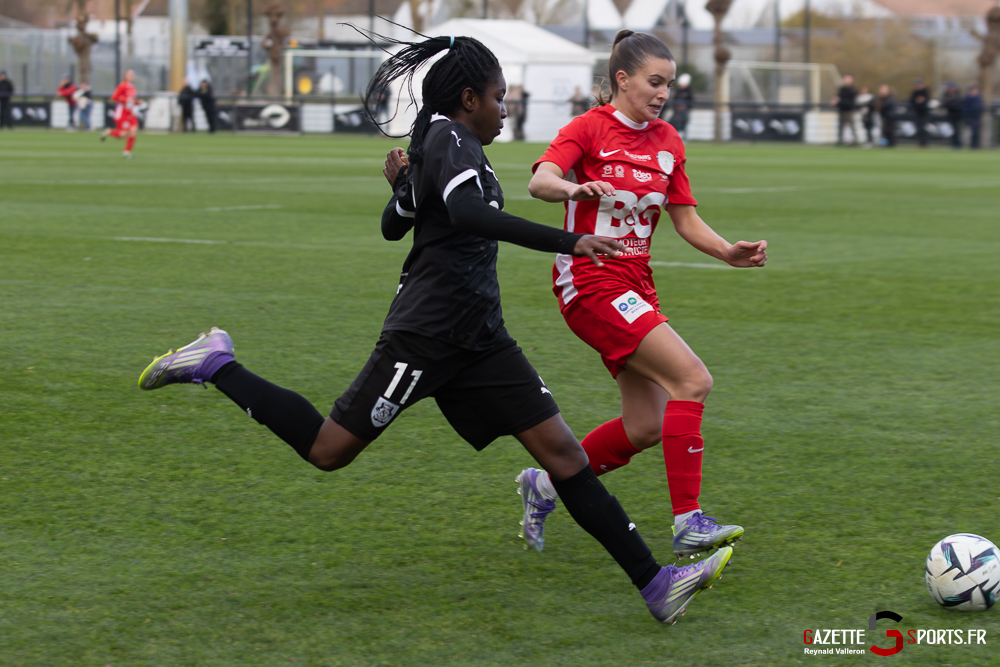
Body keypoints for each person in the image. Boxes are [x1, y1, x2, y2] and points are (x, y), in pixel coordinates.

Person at [137, 32, 732, 625]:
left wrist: (404, 187)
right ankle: (215, 362)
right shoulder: (449, 136)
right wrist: (571, 238)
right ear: (469, 98)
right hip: (426, 335)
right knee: (328, 450)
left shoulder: (444, 144)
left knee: (564, 455)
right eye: (499, 99)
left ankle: (657, 585)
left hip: (481, 338)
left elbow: (396, 223)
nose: (505, 110)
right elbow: (471, 215)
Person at [518, 30, 766, 562]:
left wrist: (727, 252)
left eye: (669, 85)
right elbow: (540, 181)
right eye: (654, 82)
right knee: (692, 379)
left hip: (635, 285)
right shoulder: (587, 128)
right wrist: (573, 188)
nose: (662, 93)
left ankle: (545, 484)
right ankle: (689, 522)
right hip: (589, 280)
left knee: (646, 425)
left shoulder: (668, 141)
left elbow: (685, 218)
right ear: (622, 79)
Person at [101, 69, 139, 157]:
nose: (131, 76)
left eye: (132, 75)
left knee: (134, 130)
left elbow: (132, 101)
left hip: (130, 113)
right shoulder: (122, 86)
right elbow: (114, 98)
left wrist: (137, 102)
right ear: (125, 76)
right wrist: (125, 99)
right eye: (129, 75)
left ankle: (126, 152)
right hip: (122, 113)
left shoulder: (133, 87)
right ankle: (108, 131)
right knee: (123, 134)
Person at [832, 74, 858, 145]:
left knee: (852, 126)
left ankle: (855, 140)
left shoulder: (853, 89)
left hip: (849, 110)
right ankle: (840, 141)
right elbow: (838, 97)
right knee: (840, 127)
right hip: (841, 110)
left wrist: (839, 101)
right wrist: (835, 101)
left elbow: (849, 100)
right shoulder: (842, 89)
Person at [667, 72, 693, 139]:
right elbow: (674, 99)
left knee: (684, 123)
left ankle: (684, 137)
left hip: (684, 112)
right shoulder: (678, 91)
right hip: (677, 111)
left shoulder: (689, 91)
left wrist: (685, 107)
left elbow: (691, 101)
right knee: (673, 122)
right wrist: (676, 108)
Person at [909, 78, 930, 148]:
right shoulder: (915, 92)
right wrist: (917, 100)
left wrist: (921, 100)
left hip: (924, 113)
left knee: (923, 128)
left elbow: (927, 100)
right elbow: (911, 101)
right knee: (918, 128)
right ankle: (920, 143)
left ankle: (924, 143)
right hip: (917, 113)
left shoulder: (926, 91)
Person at [941, 81, 963, 149]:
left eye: (952, 87)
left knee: (957, 130)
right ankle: (953, 144)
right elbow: (944, 103)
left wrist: (951, 102)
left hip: (957, 115)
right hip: (950, 115)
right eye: (950, 87)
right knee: (951, 131)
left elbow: (958, 103)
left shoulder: (958, 94)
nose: (951, 89)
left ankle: (958, 144)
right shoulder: (946, 94)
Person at [962, 84, 983, 149]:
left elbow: (981, 107)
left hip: (976, 117)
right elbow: (964, 107)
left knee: (976, 132)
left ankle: (975, 145)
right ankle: (970, 145)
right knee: (970, 132)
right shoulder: (967, 98)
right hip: (969, 117)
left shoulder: (979, 98)